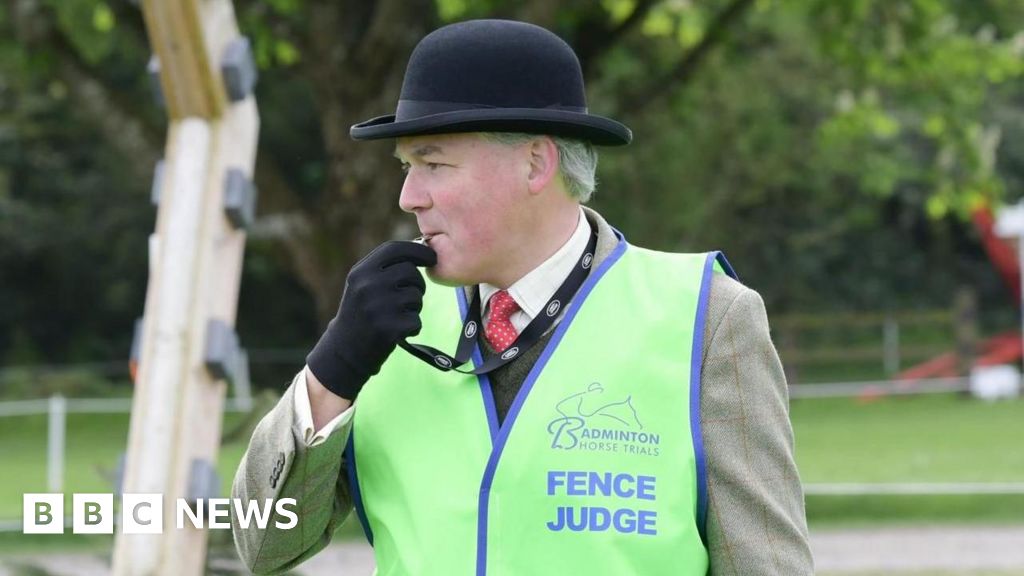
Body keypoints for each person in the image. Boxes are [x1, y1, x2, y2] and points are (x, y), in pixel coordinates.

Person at [231, 18, 813, 576]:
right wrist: (330, 374)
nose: (409, 196)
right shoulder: (381, 325)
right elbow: (263, 546)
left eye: (432, 164)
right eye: (407, 166)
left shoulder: (707, 316)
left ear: (536, 163)